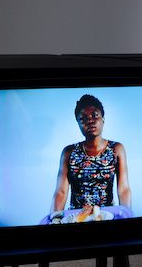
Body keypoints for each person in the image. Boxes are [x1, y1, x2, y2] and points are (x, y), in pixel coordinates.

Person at [49, 94, 132, 222]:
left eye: (95, 115)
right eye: (84, 118)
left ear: (103, 119)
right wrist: (54, 219)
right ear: (78, 123)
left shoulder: (116, 149)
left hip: (106, 215)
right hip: (77, 217)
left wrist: (127, 215)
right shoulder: (69, 152)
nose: (90, 121)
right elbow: (61, 191)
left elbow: (124, 189)